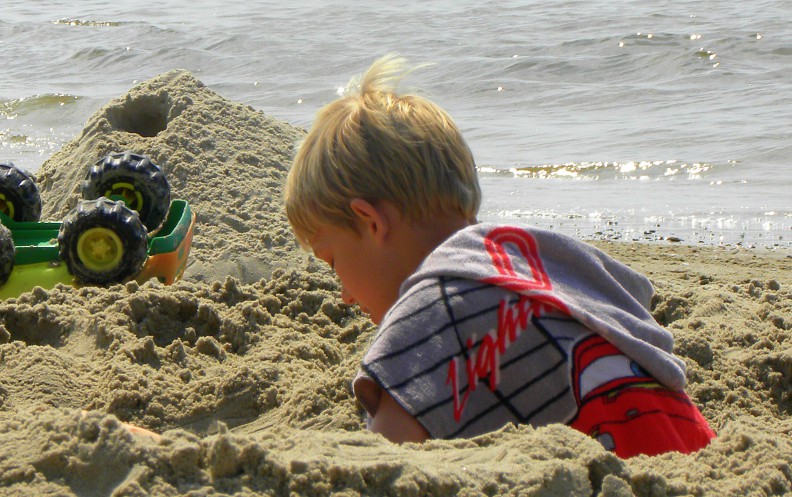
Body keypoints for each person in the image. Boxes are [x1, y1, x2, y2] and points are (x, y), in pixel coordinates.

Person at [282, 54, 714, 458]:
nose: (345, 297)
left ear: (371, 222)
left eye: (333, 263)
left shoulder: (432, 305)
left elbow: (385, 456)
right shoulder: (547, 263)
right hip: (690, 443)